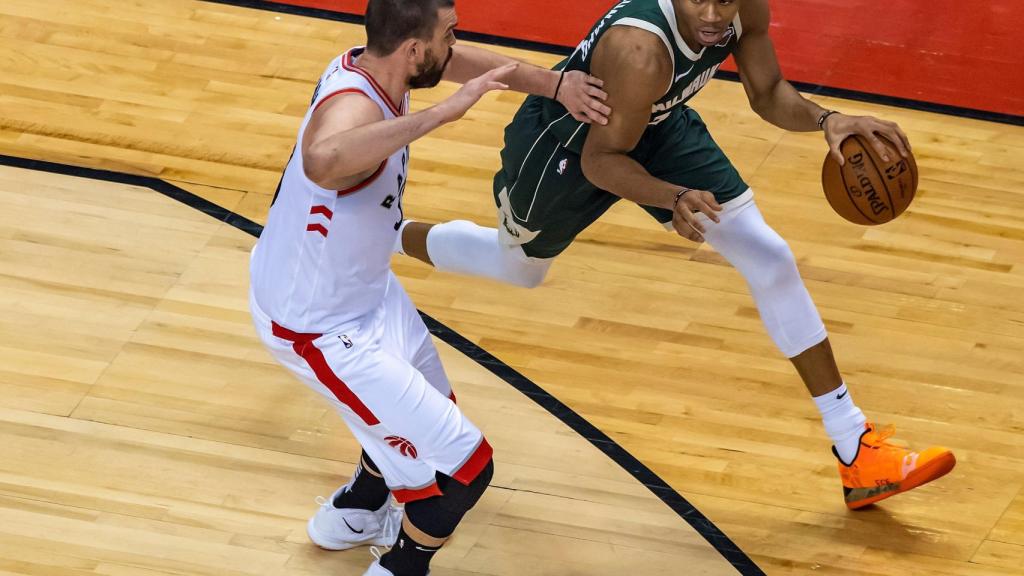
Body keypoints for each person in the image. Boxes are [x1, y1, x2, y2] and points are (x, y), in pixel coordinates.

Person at [397, 0, 956, 510]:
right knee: (518, 269)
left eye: (726, 1)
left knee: (769, 257)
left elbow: (767, 92)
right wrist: (674, 196)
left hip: (657, 126)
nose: (714, 15)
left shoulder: (739, 9)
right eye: (698, 1)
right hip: (571, 145)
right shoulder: (639, 51)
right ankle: (389, 233)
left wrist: (828, 120)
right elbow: (602, 161)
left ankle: (854, 446)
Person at [248, 1, 610, 575]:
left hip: (363, 291)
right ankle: (402, 566)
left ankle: (361, 508)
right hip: (315, 327)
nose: (456, 44)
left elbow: (461, 63)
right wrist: (443, 114)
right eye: (449, 35)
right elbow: (322, 160)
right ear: (415, 50)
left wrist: (555, 84)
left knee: (423, 415)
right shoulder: (353, 105)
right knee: (465, 467)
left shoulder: (380, 62)